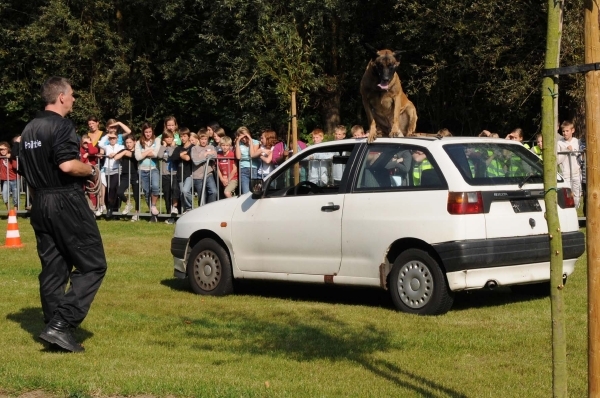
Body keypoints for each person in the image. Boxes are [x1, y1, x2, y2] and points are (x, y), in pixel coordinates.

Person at [18, 76, 107, 352]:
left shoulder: (29, 129)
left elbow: (26, 172)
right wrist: (92, 170)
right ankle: (61, 324)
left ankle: (52, 328)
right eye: (72, 95)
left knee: (54, 268)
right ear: (61, 98)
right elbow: (68, 166)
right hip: (65, 200)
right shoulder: (62, 125)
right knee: (93, 264)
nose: (74, 99)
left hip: (40, 201)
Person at [135, 122, 161, 220]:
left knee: (155, 187)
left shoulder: (157, 140)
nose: (148, 134)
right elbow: (137, 157)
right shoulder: (138, 142)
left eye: (150, 132)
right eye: (146, 132)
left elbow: (156, 154)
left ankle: (153, 205)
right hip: (142, 170)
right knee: (146, 191)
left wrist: (143, 153)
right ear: (143, 132)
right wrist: (148, 152)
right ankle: (152, 212)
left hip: (153, 168)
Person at [114, 134, 141, 221]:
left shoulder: (137, 151)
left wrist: (125, 153)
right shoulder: (123, 150)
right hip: (125, 175)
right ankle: (128, 203)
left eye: (130, 142)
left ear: (134, 142)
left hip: (135, 174)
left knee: (137, 195)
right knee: (119, 192)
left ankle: (137, 213)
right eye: (127, 142)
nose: (128, 144)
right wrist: (124, 152)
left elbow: (135, 157)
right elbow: (116, 157)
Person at [557, 120, 581, 208]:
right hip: (565, 173)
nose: (565, 133)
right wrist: (566, 151)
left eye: (567, 131)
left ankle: (575, 209)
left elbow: (579, 155)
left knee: (577, 194)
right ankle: (569, 211)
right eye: (563, 131)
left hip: (576, 173)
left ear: (572, 130)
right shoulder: (559, 143)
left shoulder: (577, 142)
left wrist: (573, 150)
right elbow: (558, 160)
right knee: (567, 195)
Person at [100, 130, 124, 219]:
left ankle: (112, 208)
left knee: (113, 188)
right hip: (107, 170)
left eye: (114, 138)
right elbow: (101, 144)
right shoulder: (107, 147)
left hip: (116, 169)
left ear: (117, 139)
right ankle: (110, 209)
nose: (112, 140)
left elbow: (123, 152)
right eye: (111, 138)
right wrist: (107, 135)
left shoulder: (121, 146)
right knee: (110, 189)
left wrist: (116, 154)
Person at [157, 131, 180, 224]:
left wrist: (172, 147)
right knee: (167, 194)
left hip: (174, 173)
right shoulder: (162, 148)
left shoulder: (176, 148)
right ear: (164, 139)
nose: (169, 139)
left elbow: (171, 155)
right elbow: (159, 155)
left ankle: (175, 211)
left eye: (171, 137)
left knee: (174, 191)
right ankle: (168, 213)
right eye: (167, 138)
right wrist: (163, 146)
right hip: (165, 174)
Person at [191, 131, 218, 204]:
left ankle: (209, 208)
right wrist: (205, 153)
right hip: (198, 176)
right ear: (199, 139)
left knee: (214, 191)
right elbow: (196, 161)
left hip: (209, 174)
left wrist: (202, 156)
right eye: (202, 139)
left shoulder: (211, 147)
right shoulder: (194, 148)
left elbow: (214, 157)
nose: (203, 141)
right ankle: (202, 210)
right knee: (202, 196)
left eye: (205, 139)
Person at [171, 128, 193, 213]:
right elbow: (173, 157)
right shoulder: (178, 148)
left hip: (189, 174)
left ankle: (189, 208)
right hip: (180, 174)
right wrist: (182, 154)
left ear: (188, 136)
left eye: (184, 136)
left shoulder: (192, 147)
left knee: (185, 191)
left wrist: (181, 155)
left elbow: (188, 158)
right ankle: (185, 210)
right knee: (182, 194)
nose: (183, 138)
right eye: (181, 136)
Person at [235, 126, 260, 194]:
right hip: (243, 169)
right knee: (245, 192)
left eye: (245, 136)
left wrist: (250, 141)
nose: (243, 139)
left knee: (255, 192)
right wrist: (237, 142)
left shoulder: (255, 142)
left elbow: (252, 154)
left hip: (253, 168)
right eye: (241, 137)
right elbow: (238, 157)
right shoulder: (239, 143)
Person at [79, 134, 100, 210]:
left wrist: (89, 145)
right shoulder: (80, 150)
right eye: (85, 143)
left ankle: (93, 207)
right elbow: (81, 161)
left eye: (88, 142)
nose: (87, 144)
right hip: (82, 173)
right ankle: (83, 207)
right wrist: (85, 157)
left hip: (92, 173)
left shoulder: (93, 148)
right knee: (82, 189)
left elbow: (92, 151)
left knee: (92, 190)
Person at [0, 141, 19, 210]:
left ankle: (15, 212)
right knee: (5, 196)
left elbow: (15, 167)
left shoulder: (12, 155)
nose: (2, 151)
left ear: (8, 149)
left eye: (4, 149)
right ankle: (9, 211)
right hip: (5, 180)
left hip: (15, 179)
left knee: (15, 197)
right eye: (0, 149)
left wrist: (11, 157)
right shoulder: (0, 157)